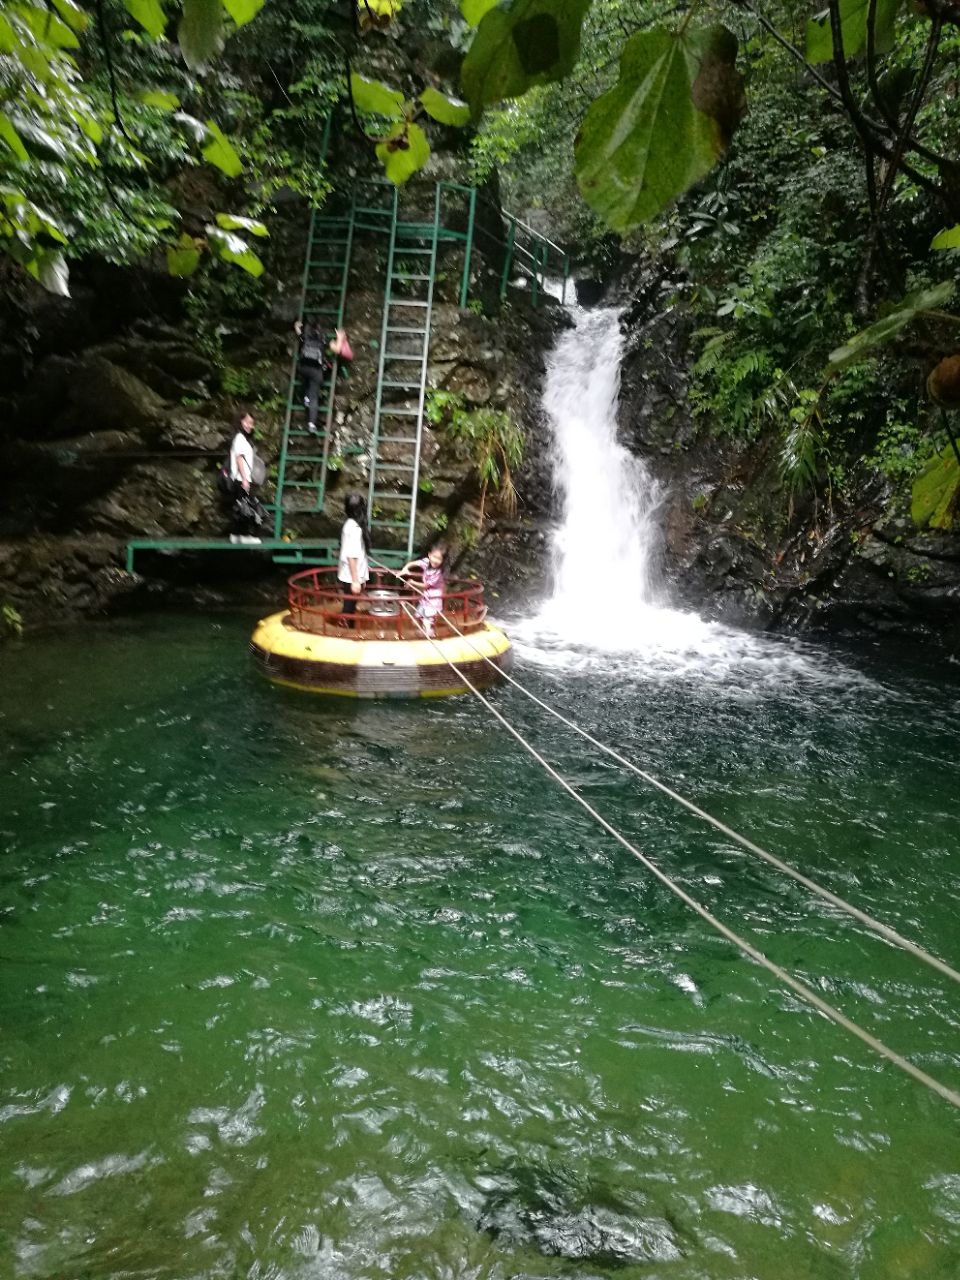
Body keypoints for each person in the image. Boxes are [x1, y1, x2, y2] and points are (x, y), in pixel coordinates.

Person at [293, 321, 353, 434]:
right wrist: (340, 338)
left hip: (303, 368)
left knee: (305, 379)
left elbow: (298, 331)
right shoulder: (323, 339)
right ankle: (311, 424)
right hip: (316, 371)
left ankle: (306, 398)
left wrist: (297, 326)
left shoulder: (305, 336)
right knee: (314, 396)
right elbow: (337, 349)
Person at [227, 409, 267, 544]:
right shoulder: (239, 438)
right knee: (246, 508)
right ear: (241, 421)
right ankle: (243, 535)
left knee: (242, 507)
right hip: (240, 478)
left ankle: (236, 535)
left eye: (252, 423)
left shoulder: (243, 438)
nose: (250, 425)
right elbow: (239, 459)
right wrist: (244, 479)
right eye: (247, 422)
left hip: (241, 478)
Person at [399, 544, 446, 637]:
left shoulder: (437, 573)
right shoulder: (426, 562)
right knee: (417, 617)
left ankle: (429, 634)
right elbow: (413, 563)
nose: (435, 560)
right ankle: (423, 632)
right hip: (425, 597)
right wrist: (405, 568)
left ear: (442, 561)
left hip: (433, 600)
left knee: (427, 620)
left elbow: (425, 585)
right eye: (434, 557)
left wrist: (412, 582)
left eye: (439, 559)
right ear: (429, 555)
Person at [337, 492, 370, 626]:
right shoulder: (355, 529)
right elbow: (351, 556)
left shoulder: (349, 524)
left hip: (350, 574)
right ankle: (345, 632)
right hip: (351, 576)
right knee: (349, 608)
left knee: (350, 606)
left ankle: (347, 628)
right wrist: (356, 581)